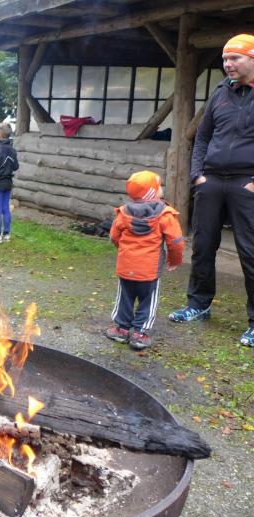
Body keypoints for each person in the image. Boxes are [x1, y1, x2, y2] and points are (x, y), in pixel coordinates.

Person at [168, 34, 254, 347]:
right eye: (225, 59)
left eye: (235, 58)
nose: (228, 64)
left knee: (250, 251)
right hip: (211, 181)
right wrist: (197, 176)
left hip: (247, 182)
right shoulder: (220, 93)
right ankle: (198, 304)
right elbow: (202, 137)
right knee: (203, 245)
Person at [106, 171, 184, 350]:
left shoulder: (124, 212)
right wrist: (174, 260)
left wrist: (124, 251)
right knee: (148, 300)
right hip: (149, 271)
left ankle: (121, 329)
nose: (161, 189)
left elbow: (114, 236)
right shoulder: (165, 215)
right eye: (159, 186)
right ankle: (140, 334)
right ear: (153, 192)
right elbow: (176, 242)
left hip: (126, 267)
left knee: (125, 297)